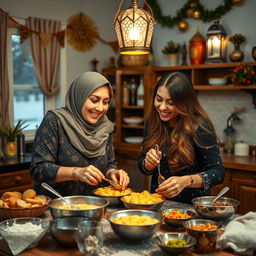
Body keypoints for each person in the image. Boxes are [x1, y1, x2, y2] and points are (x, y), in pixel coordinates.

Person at [31, 71, 130, 198]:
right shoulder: (55, 121)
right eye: (94, 100)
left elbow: (109, 164)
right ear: (79, 97)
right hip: (60, 206)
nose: (100, 108)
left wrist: (113, 173)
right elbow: (38, 170)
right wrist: (76, 172)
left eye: (105, 102)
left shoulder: (105, 126)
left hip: (95, 207)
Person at [138, 72, 225, 203]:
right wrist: (147, 164)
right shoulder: (152, 122)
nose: (162, 107)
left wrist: (186, 181)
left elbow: (218, 173)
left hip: (192, 210)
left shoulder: (199, 126)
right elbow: (142, 165)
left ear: (184, 103)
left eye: (170, 102)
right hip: (158, 204)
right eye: (159, 99)